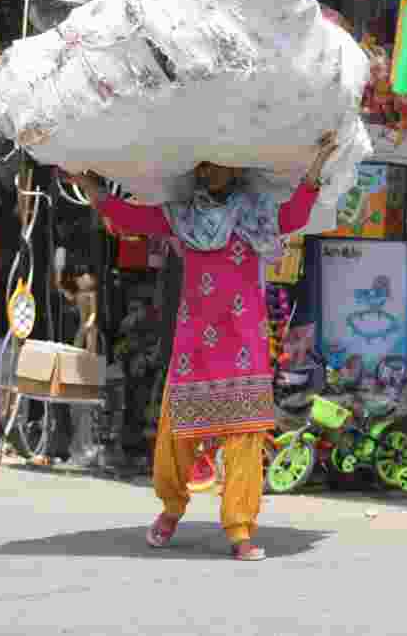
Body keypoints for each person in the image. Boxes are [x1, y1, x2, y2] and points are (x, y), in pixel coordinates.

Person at [73, 133, 338, 561]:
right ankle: (170, 510)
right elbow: (129, 218)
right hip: (195, 343)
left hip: (245, 345)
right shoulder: (180, 217)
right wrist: (89, 187)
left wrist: (320, 160)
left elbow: (297, 212)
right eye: (204, 166)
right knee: (176, 437)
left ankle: (240, 529)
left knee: (246, 438)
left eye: (220, 164)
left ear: (238, 169)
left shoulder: (258, 216)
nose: (210, 172)